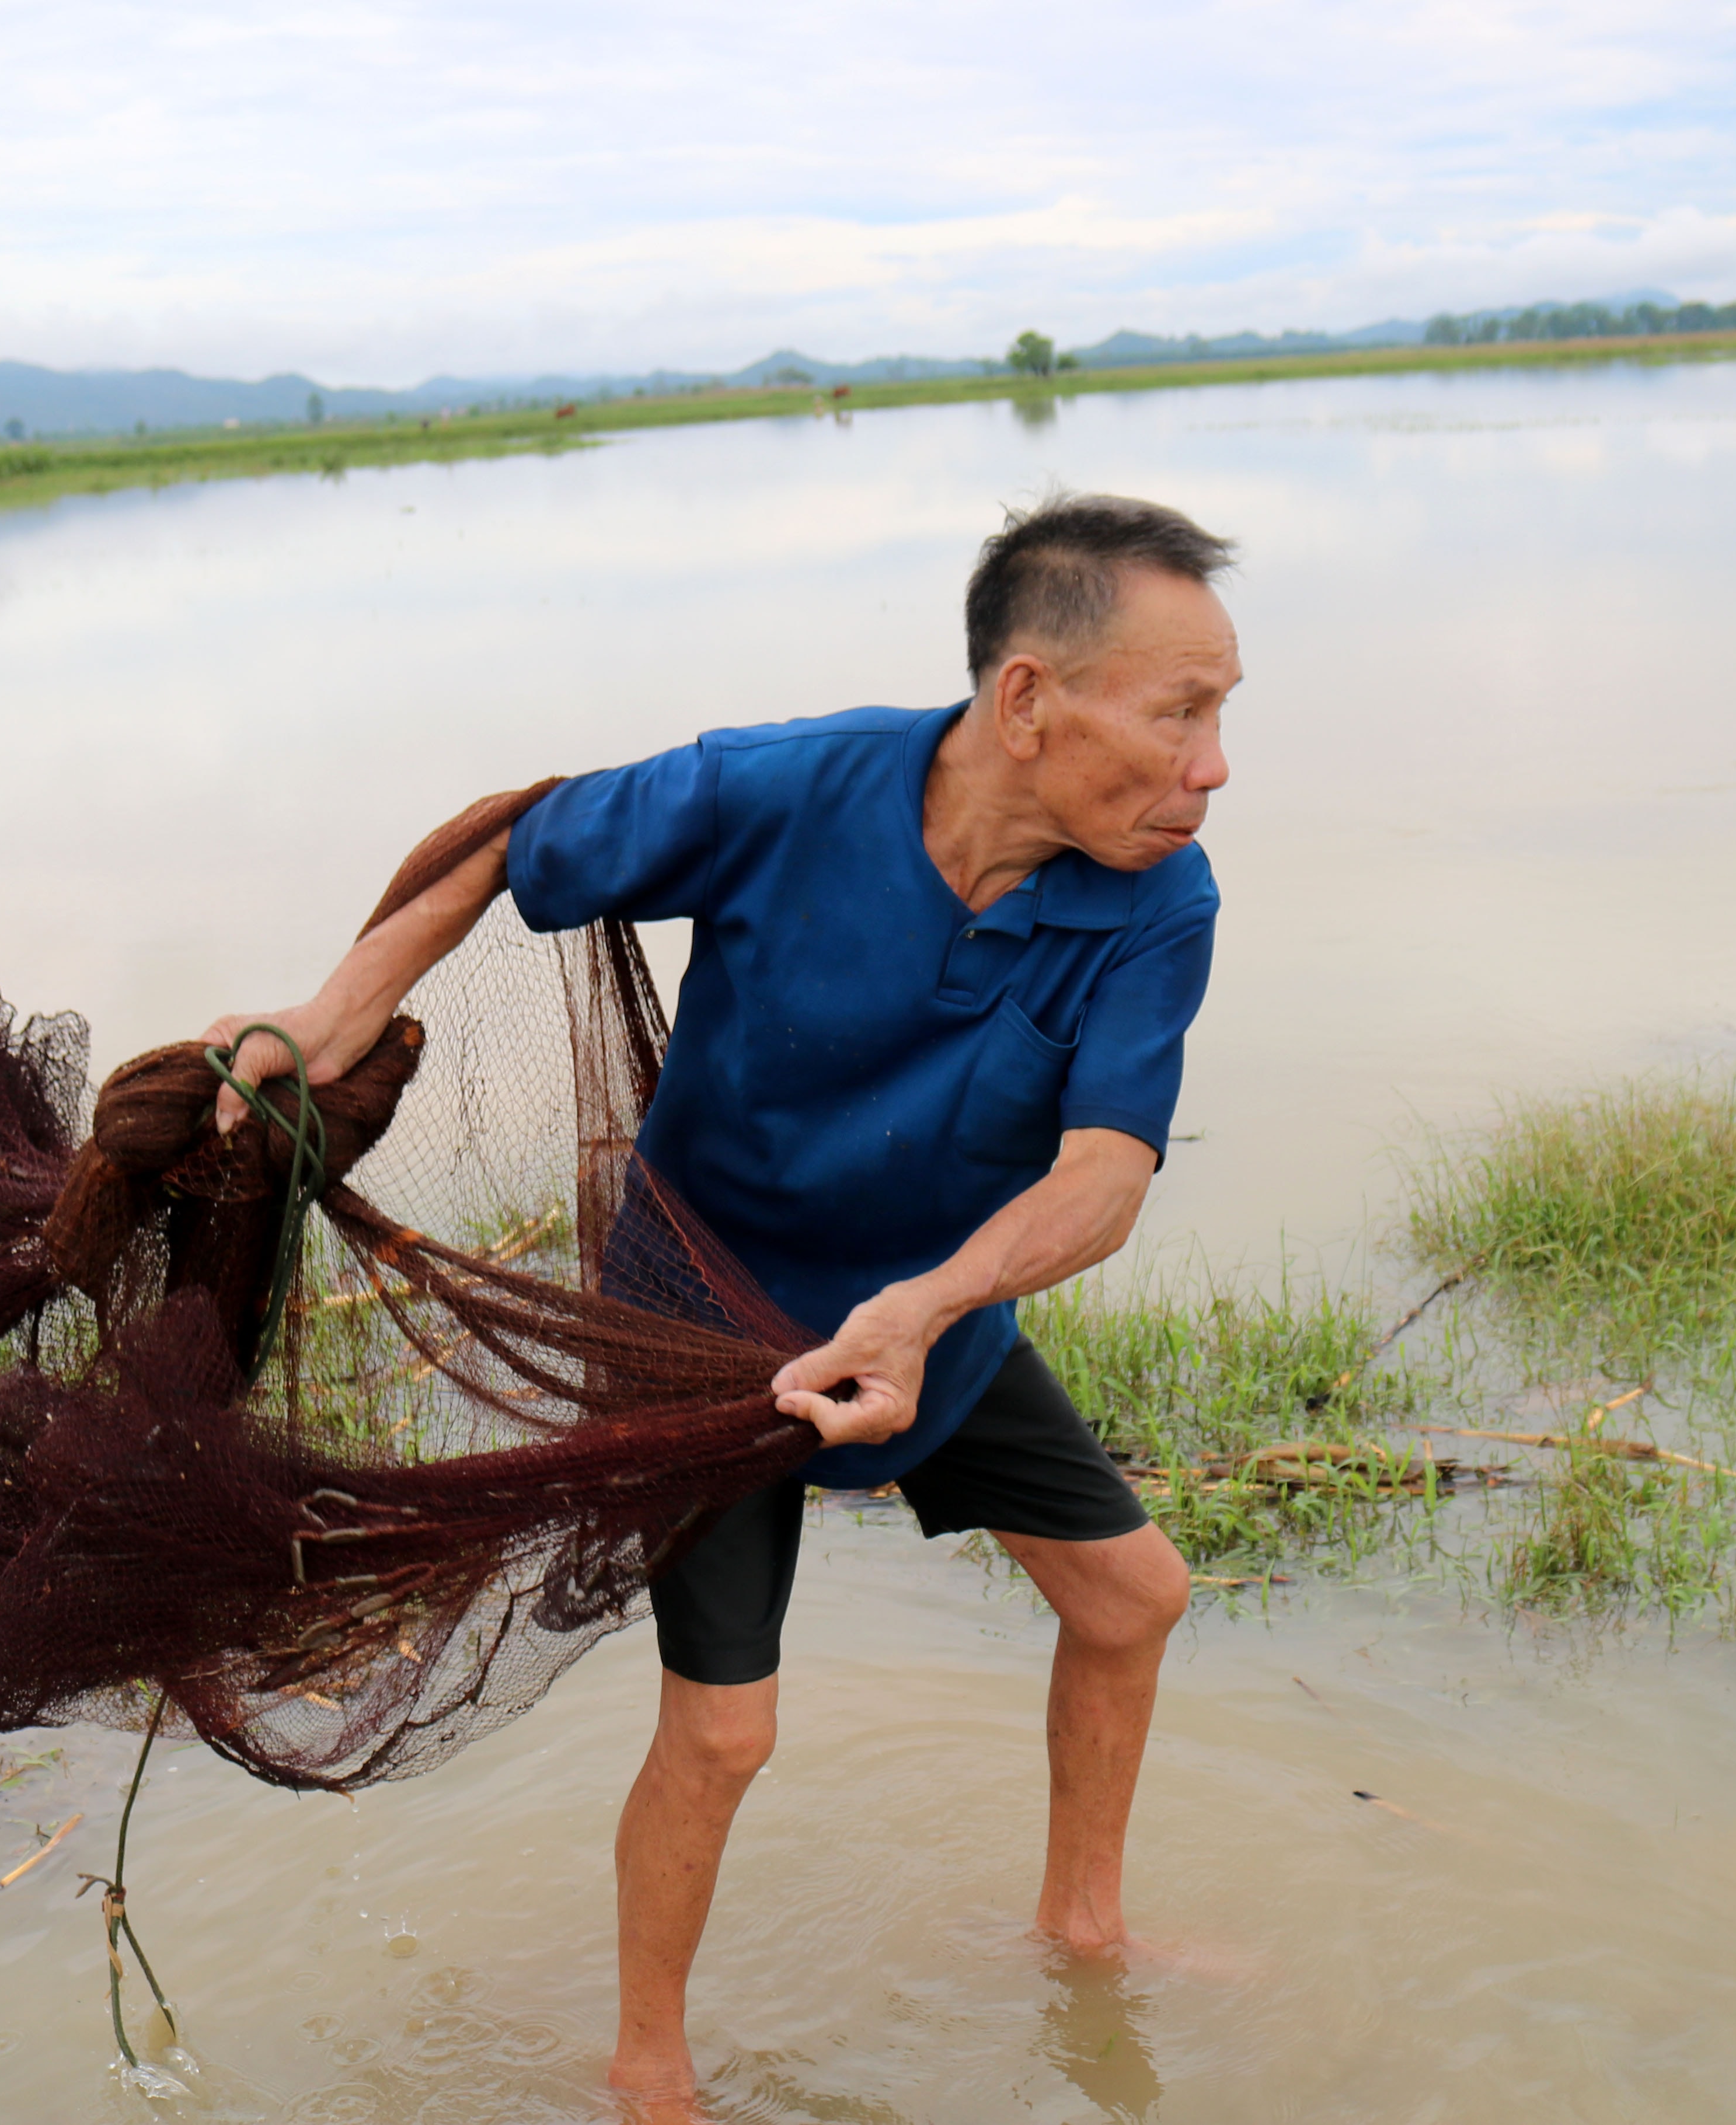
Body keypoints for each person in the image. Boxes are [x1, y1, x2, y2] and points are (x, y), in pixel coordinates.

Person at [207, 491, 1237, 2114]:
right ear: (1029, 698)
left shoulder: (1159, 898)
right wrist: (334, 1011)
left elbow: (1104, 1174)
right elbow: (511, 842)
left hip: (929, 1327)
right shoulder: (792, 785)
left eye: (1221, 717)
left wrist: (931, 1307)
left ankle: (1084, 1927)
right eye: (1181, 713)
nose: (1213, 766)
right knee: (727, 1733)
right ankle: (650, 2064)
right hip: (705, 1325)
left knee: (1132, 1599)